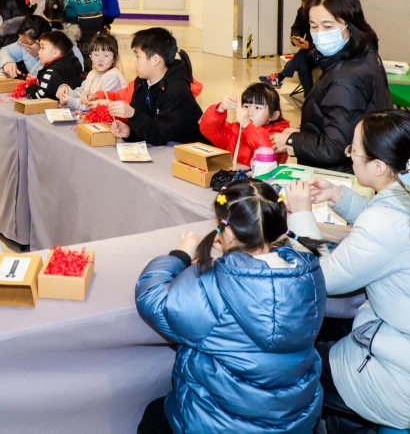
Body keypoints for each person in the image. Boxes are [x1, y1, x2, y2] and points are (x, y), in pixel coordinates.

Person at [284, 110, 410, 433]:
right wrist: (338, 195)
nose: (348, 155)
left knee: (290, 366)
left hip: (400, 375)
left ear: (379, 166)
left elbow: (319, 277)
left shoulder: (382, 224)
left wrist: (300, 216)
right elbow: (389, 220)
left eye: (354, 149)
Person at [135, 178, 326, 434]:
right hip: (292, 421)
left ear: (230, 233)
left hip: (221, 424)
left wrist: (180, 254)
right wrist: (231, 255)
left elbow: (153, 300)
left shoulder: (213, 286)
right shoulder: (309, 275)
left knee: (155, 415)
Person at [272, 0, 391, 172]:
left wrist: (292, 141)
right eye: (313, 26)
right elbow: (340, 122)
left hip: (339, 176)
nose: (319, 33)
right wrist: (303, 133)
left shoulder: (347, 77)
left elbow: (335, 147)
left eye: (328, 26)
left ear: (350, 25)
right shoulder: (363, 54)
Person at [109, 27, 203, 146]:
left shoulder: (177, 90)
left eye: (138, 56)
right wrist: (129, 131)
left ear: (155, 60)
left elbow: (159, 134)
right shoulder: (142, 82)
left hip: (190, 149)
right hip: (167, 147)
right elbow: (146, 124)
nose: (135, 63)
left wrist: (132, 114)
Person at [200, 82, 290, 168]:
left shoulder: (280, 136)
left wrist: (248, 126)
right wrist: (220, 109)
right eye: (246, 106)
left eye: (258, 108)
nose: (249, 113)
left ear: (273, 116)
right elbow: (208, 130)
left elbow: (269, 151)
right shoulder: (235, 129)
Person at [262, 0, 315, 94]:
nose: (304, 9)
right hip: (308, 50)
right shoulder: (301, 11)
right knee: (303, 67)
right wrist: (296, 37)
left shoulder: (325, 16)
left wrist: (310, 45)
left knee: (301, 57)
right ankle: (309, 97)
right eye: (303, 6)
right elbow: (296, 27)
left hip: (322, 50)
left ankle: (280, 77)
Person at [59, 32, 125, 111]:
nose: (100, 59)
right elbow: (82, 92)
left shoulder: (112, 77)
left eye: (106, 55)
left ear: (115, 58)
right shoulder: (92, 73)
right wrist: (66, 91)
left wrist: (71, 101)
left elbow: (97, 107)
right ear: (90, 56)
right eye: (96, 55)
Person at [24, 30, 83, 100]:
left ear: (55, 53)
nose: (39, 52)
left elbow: (40, 96)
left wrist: (30, 88)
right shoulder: (70, 65)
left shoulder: (52, 72)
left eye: (43, 48)